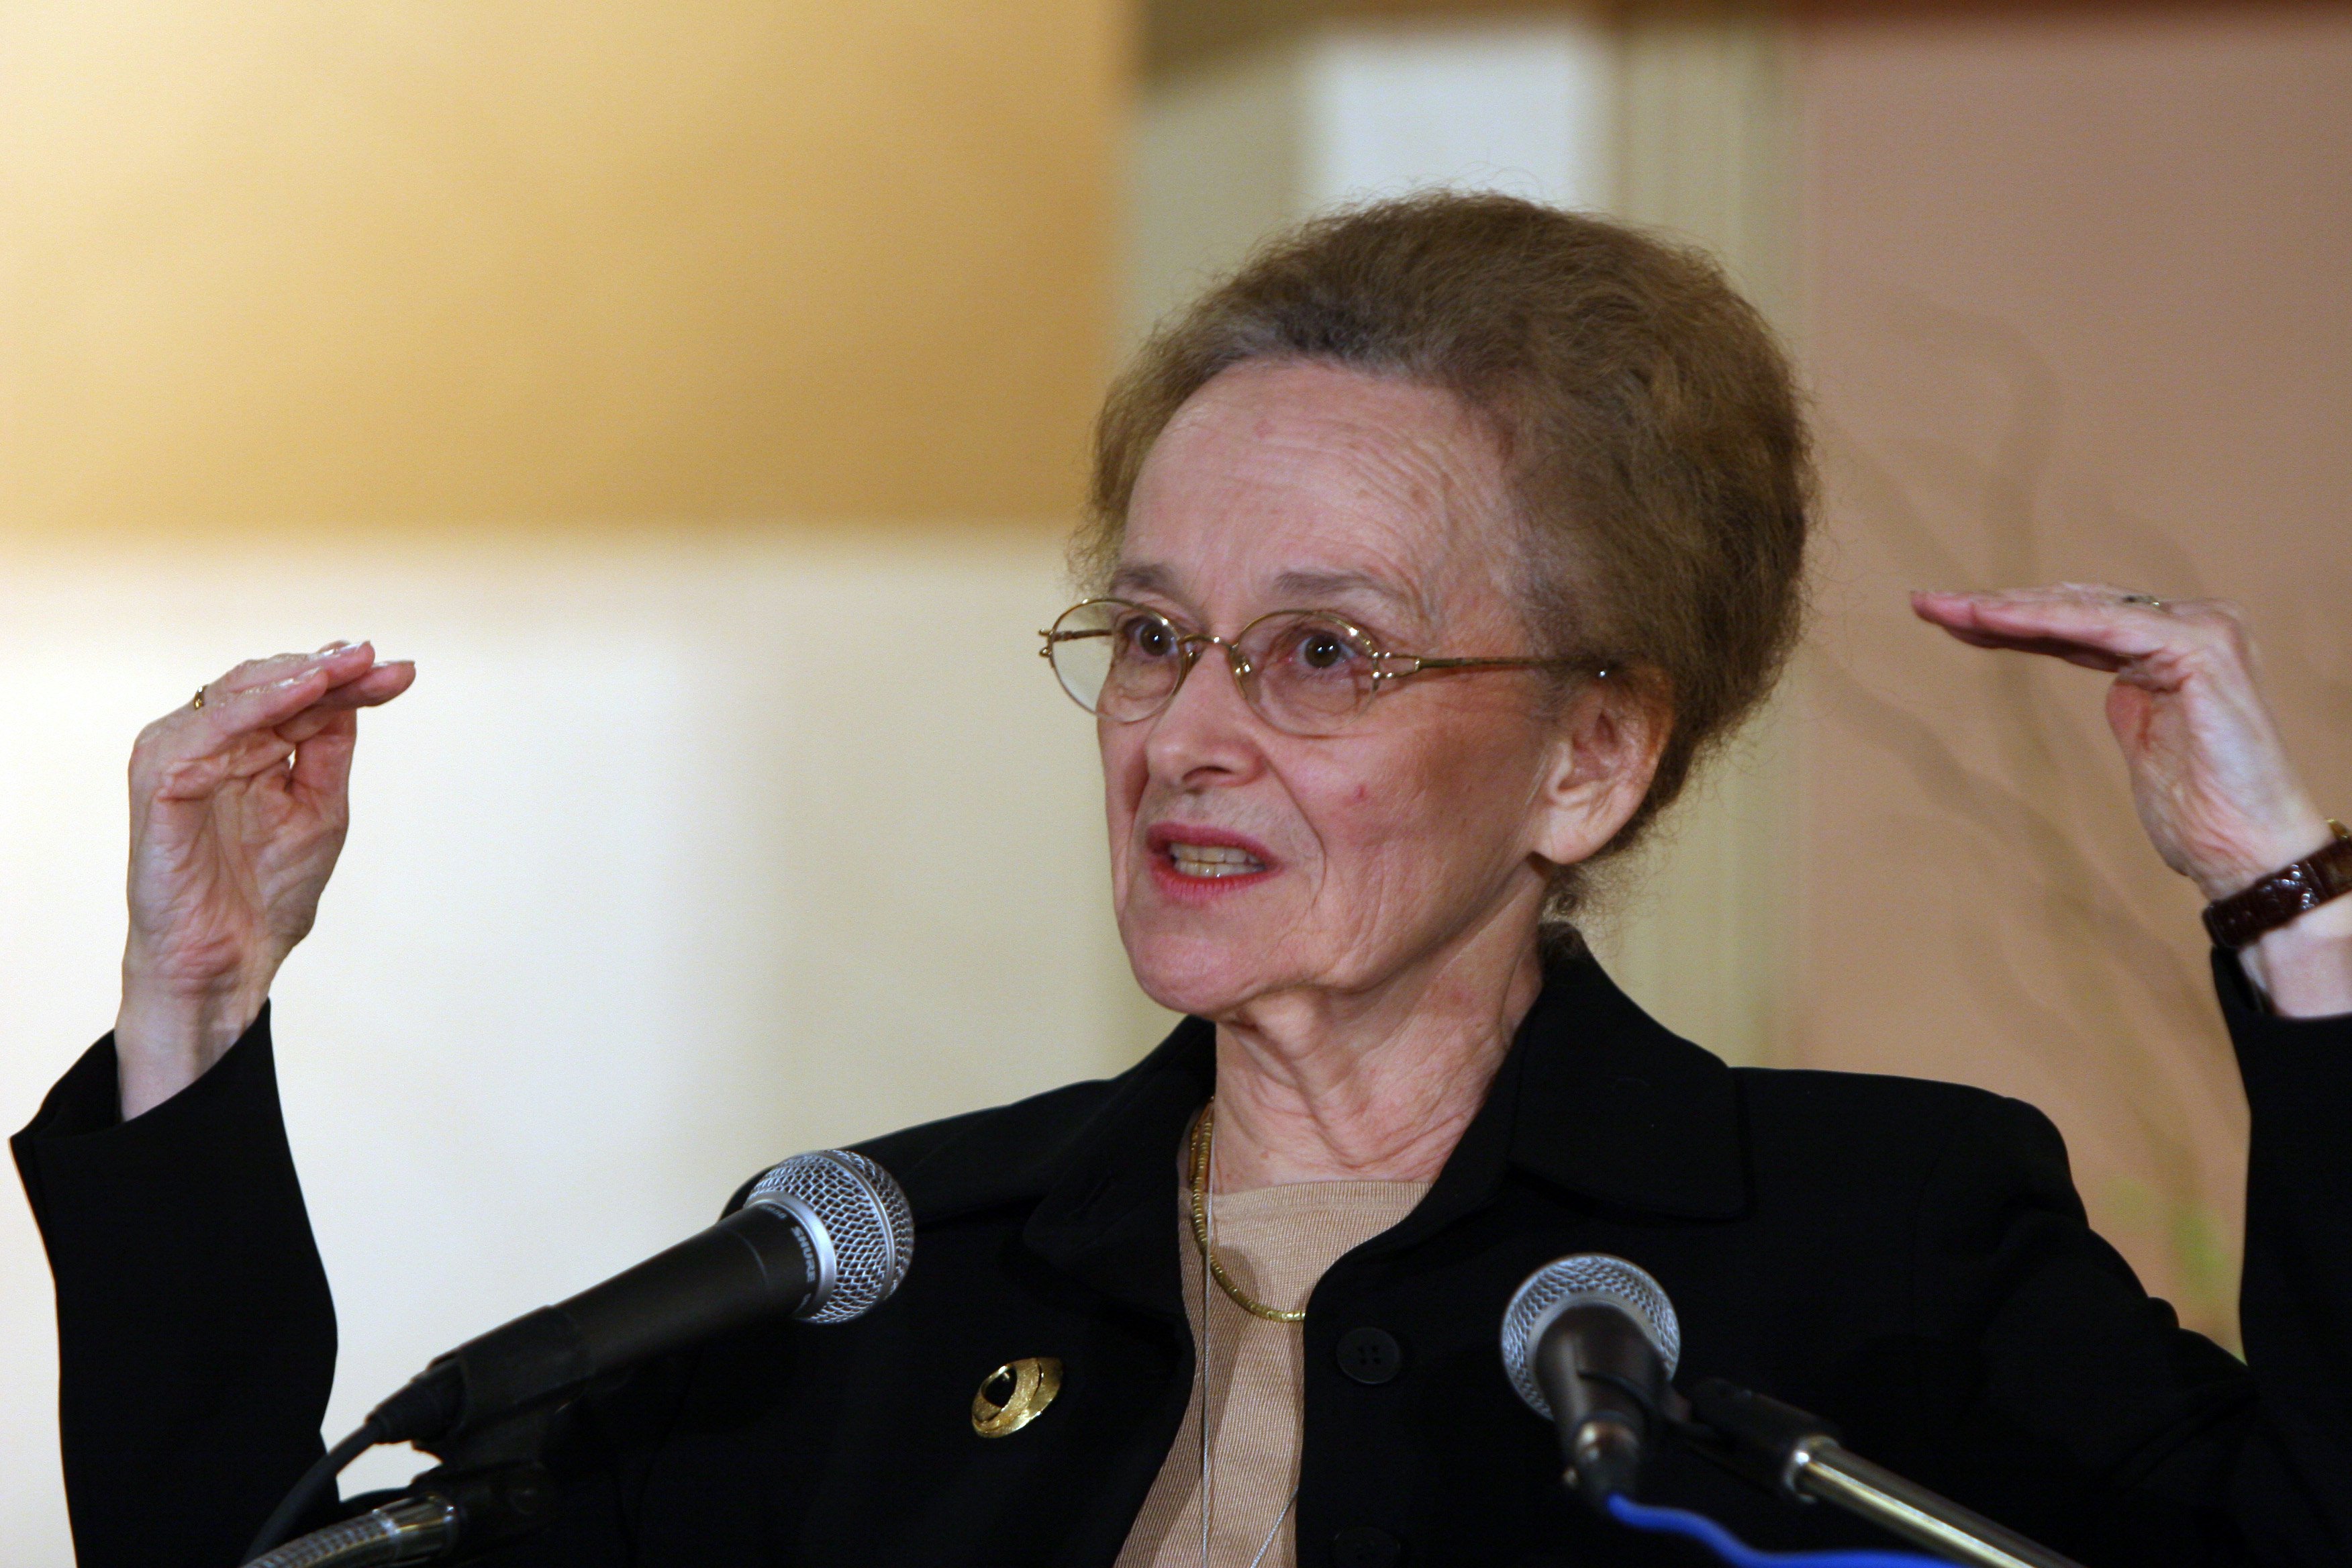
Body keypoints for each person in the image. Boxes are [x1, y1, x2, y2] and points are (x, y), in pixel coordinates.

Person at [15, 194, 2351, 1568]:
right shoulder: (869, 1277)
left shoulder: (1875, 1243)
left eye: (1321, 652)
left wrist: (2296, 916)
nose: (1185, 732)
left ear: (1595, 753)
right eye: (1149, 638)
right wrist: (196, 1012)